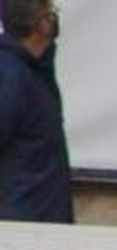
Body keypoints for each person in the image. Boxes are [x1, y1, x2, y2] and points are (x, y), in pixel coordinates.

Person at [0, 0, 72, 222]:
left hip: (39, 218)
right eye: (51, 12)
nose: (55, 17)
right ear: (41, 24)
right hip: (22, 223)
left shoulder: (33, 71)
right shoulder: (11, 77)